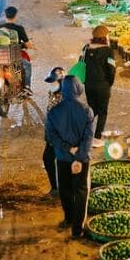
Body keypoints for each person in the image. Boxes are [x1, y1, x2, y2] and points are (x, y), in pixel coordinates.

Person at [44, 75, 95, 238]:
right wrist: (79, 156)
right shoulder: (87, 110)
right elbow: (88, 138)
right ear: (78, 89)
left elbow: (51, 137)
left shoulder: (53, 112)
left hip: (63, 159)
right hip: (82, 160)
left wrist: (68, 149)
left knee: (65, 189)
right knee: (80, 192)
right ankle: (77, 229)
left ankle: (68, 218)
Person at [83, 25, 116, 148]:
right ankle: (97, 138)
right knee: (102, 112)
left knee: (92, 110)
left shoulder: (86, 48)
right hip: (102, 85)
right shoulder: (108, 51)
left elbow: (81, 63)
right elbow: (111, 70)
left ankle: (84, 133)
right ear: (104, 37)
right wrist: (109, 83)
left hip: (89, 85)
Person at [0, 6, 34, 93]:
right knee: (27, 65)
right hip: (15, 56)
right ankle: (27, 86)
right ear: (15, 16)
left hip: (1, 56)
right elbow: (28, 44)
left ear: (5, 15)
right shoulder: (19, 29)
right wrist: (29, 45)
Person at [42, 67, 65, 196]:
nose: (51, 85)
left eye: (53, 82)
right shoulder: (54, 94)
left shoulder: (64, 97)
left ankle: (58, 189)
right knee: (49, 159)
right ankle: (56, 188)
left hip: (58, 135)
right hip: (52, 134)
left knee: (51, 159)